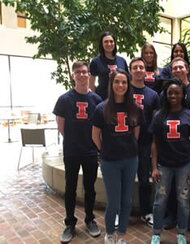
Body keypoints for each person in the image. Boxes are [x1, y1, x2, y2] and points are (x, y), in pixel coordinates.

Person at [53, 61, 102, 243]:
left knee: (90, 188)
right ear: (73, 75)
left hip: (90, 151)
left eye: (84, 72)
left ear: (89, 74)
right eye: (78, 72)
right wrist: (75, 141)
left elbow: (99, 128)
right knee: (70, 188)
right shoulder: (64, 99)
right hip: (72, 151)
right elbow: (61, 126)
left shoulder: (96, 100)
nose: (82, 75)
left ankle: (90, 219)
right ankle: (70, 223)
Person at [92, 69, 142, 244]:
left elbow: (136, 132)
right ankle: (110, 234)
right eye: (117, 82)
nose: (120, 85)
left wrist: (127, 147)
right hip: (110, 161)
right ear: (111, 84)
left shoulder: (135, 108)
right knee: (113, 201)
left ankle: (121, 234)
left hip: (130, 159)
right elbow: (95, 135)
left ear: (128, 85)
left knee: (127, 201)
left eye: (124, 82)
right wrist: (105, 151)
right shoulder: (101, 108)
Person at [149, 78, 190, 244]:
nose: (173, 95)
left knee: (183, 201)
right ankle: (156, 233)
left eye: (177, 92)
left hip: (184, 165)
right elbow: (154, 144)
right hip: (164, 165)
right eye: (170, 92)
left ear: (183, 94)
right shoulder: (159, 116)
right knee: (160, 200)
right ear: (165, 94)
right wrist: (154, 167)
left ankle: (181, 233)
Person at [129, 57, 160, 226]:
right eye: (135, 67)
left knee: (143, 178)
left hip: (145, 141)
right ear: (130, 70)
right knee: (125, 178)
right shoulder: (124, 90)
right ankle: (122, 211)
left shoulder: (153, 94)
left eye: (141, 67)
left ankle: (146, 212)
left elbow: (156, 119)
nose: (139, 70)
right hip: (125, 141)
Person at [89, 31, 128, 100]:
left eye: (111, 41)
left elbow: (127, 81)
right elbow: (91, 83)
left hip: (120, 99)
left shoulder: (122, 61)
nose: (109, 44)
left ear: (115, 43)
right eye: (106, 42)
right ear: (102, 44)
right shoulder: (96, 61)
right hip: (102, 99)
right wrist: (97, 98)